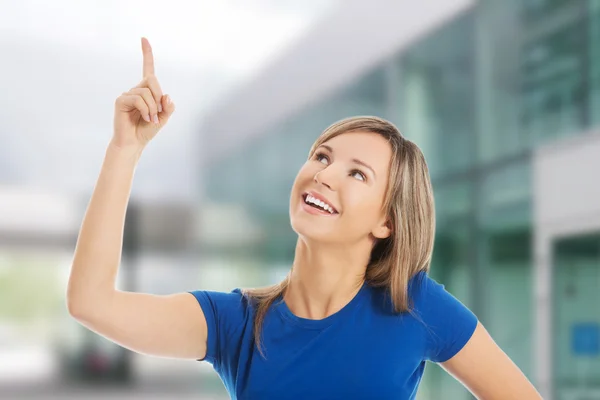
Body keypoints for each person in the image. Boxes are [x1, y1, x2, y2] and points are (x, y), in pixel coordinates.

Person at [67, 37, 542, 399]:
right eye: (321, 156)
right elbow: (91, 303)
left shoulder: (412, 304)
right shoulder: (236, 323)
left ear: (388, 222)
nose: (325, 174)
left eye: (357, 173)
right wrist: (123, 151)